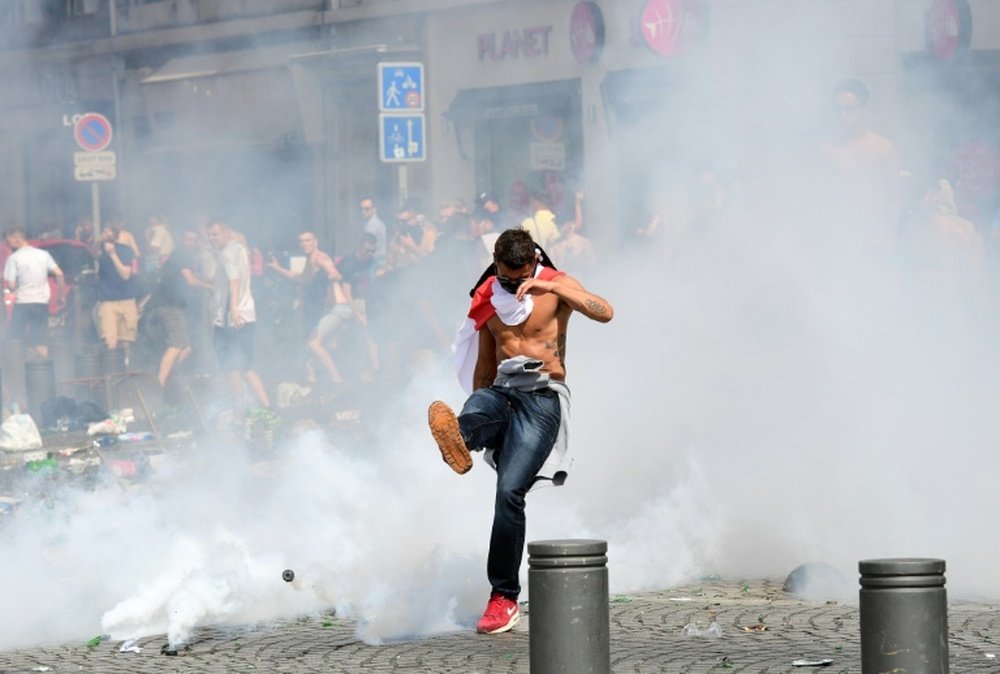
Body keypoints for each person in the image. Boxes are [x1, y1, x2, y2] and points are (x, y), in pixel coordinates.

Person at [427, 228, 614, 634]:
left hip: (542, 399)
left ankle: (504, 598)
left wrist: (553, 287)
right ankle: (462, 437)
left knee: (510, 493)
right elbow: (483, 366)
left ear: (533, 261)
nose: (512, 285)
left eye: (519, 276)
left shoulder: (555, 286)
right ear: (495, 263)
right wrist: (478, 400)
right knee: (479, 407)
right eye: (505, 277)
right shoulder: (488, 297)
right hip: (501, 391)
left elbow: (605, 311)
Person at [818, 78, 901, 248]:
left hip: (873, 233)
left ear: (864, 109)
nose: (843, 115)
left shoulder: (883, 148)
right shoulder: (827, 150)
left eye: (849, 109)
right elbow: (820, 195)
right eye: (837, 109)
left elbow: (894, 196)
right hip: (838, 232)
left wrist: (890, 233)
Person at [206, 217, 270, 410]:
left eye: (215, 234)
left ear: (227, 233)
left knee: (231, 366)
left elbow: (234, 279)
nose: (211, 238)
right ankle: (267, 407)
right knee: (245, 366)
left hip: (231, 318)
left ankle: (239, 409)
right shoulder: (240, 249)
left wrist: (233, 308)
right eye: (209, 235)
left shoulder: (228, 253)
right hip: (245, 315)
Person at [306, 234, 378, 384]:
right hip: (342, 306)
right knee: (318, 342)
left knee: (365, 333)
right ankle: (333, 377)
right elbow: (345, 292)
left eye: (373, 251)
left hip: (349, 306)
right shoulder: (348, 264)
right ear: (360, 247)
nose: (370, 254)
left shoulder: (369, 261)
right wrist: (357, 314)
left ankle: (375, 371)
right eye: (367, 250)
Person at [3, 228, 65, 360]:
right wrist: (61, 295)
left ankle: (18, 373)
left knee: (16, 340)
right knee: (40, 341)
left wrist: (13, 287)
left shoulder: (13, 258)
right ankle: (43, 373)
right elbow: (59, 274)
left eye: (8, 240)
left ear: (16, 238)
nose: (7, 243)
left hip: (22, 304)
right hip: (41, 304)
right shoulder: (44, 255)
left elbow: (11, 285)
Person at [96, 225, 138, 360]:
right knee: (110, 341)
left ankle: (125, 371)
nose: (105, 233)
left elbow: (125, 275)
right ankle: (112, 373)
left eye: (108, 231)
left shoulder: (125, 251)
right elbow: (92, 252)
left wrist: (113, 254)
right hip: (108, 302)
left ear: (116, 234)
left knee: (125, 342)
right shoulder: (101, 251)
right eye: (103, 231)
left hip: (126, 300)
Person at [359, 197, 387, 266]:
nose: (363, 211)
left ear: (374, 209)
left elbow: (368, 248)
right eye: (361, 209)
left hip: (374, 263)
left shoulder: (371, 225)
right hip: (381, 261)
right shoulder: (380, 223)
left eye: (366, 209)